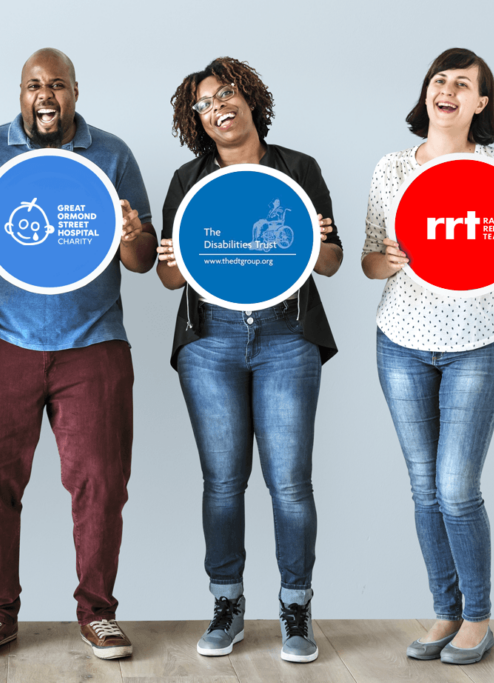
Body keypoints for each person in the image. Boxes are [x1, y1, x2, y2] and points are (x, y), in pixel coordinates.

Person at [0, 48, 154, 661]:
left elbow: (141, 259)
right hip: (0, 338)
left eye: (57, 84)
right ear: (21, 93)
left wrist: (134, 235)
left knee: (102, 482)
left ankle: (99, 614)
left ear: (76, 91)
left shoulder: (112, 155)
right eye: (35, 85)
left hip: (94, 341)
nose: (46, 94)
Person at [361, 47, 494, 665]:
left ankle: (478, 616)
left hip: (479, 343)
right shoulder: (391, 168)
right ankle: (443, 611)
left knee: (456, 487)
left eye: (463, 84)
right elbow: (368, 262)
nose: (448, 89)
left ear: (480, 104)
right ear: (427, 94)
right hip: (401, 342)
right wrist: (386, 258)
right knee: (423, 488)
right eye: (440, 79)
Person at [156, 57, 342, 663]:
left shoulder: (297, 170)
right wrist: (171, 262)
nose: (219, 107)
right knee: (223, 482)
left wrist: (318, 242)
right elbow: (166, 275)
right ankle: (227, 605)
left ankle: (295, 608)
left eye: (227, 93)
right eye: (205, 103)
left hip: (287, 335)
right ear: (197, 121)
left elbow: (332, 260)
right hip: (210, 338)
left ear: (249, 97)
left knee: (289, 483)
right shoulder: (188, 180)